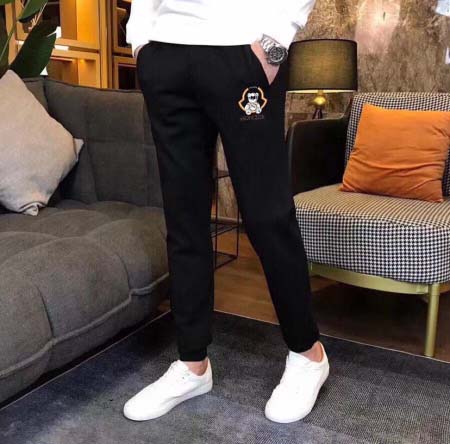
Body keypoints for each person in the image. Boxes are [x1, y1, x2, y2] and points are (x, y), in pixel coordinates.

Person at [124, 0, 329, 424]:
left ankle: (308, 354)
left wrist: (275, 40)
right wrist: (140, 39)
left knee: (267, 215)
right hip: (165, 52)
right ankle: (192, 363)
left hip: (243, 49)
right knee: (184, 219)